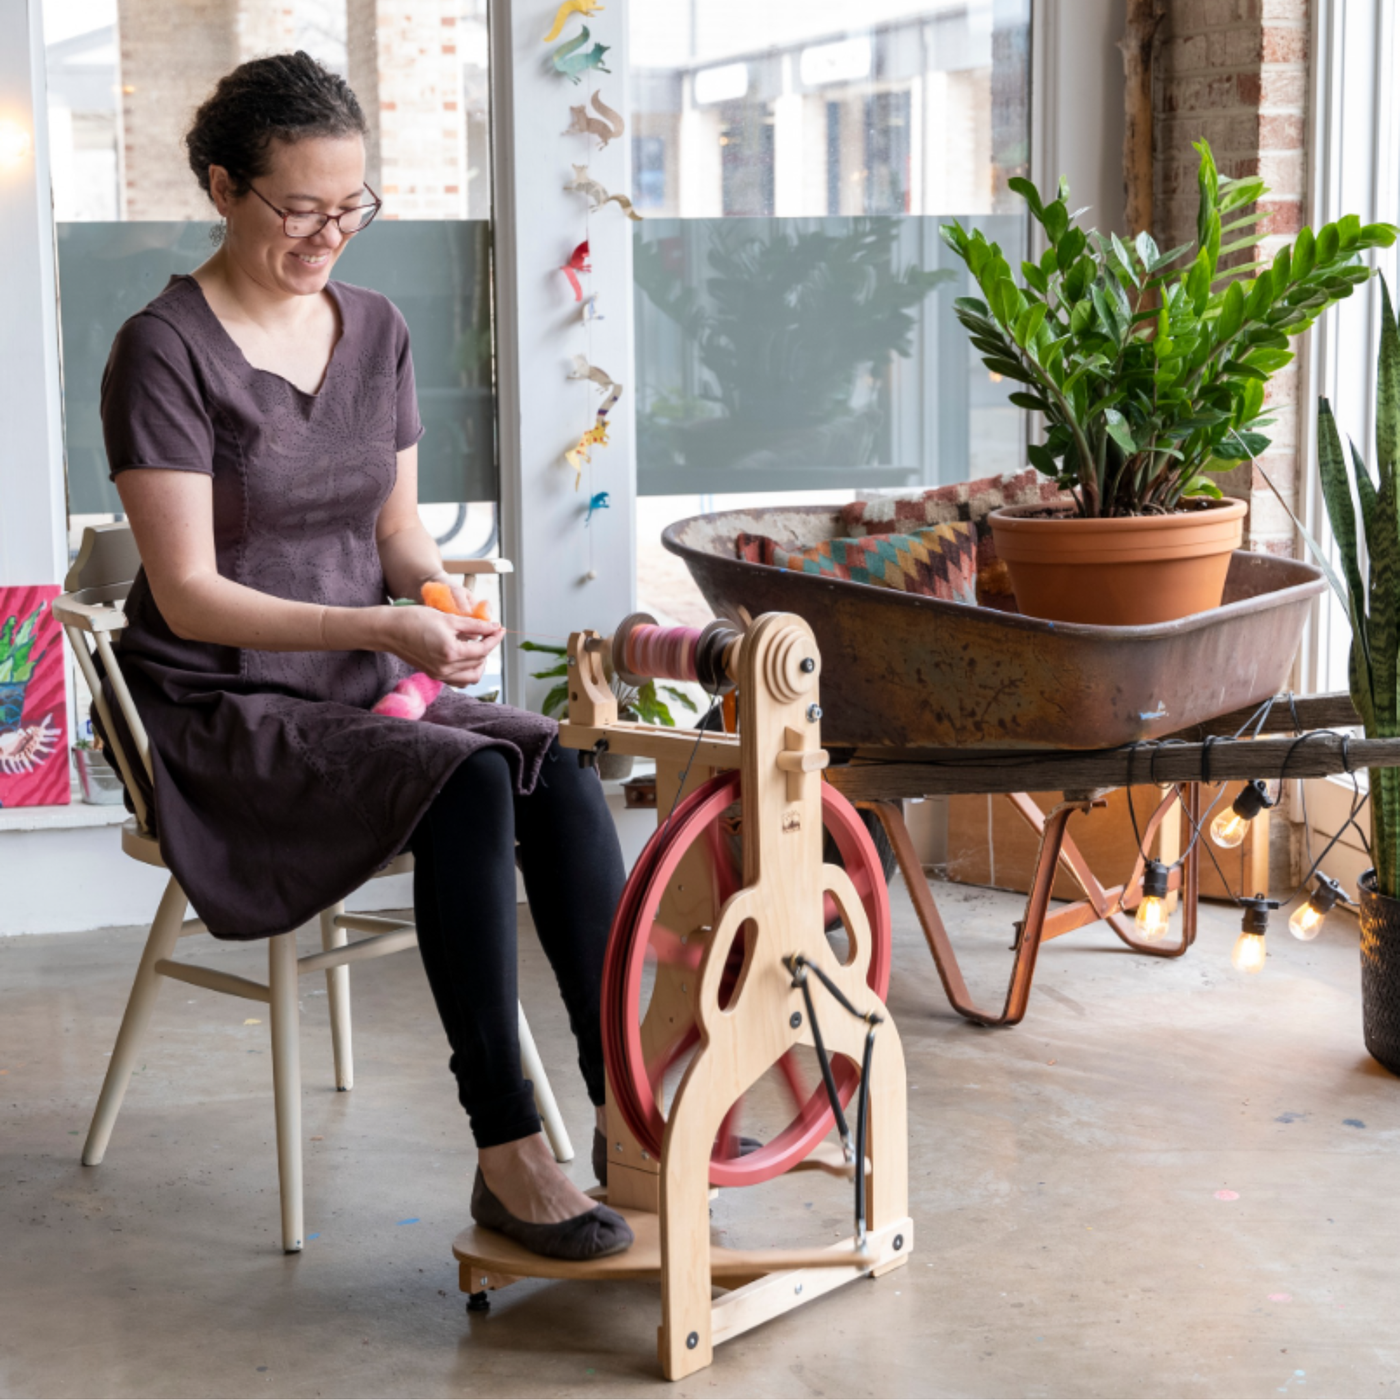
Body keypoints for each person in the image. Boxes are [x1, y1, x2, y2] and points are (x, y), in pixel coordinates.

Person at [99, 51, 631, 1262]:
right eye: (300, 208)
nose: (328, 234)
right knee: (467, 774)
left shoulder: (375, 326)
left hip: (353, 688)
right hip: (223, 701)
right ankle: (508, 1151)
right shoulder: (162, 351)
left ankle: (628, 1113)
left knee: (551, 760)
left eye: (351, 207)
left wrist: (436, 598)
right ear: (223, 187)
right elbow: (190, 593)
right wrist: (386, 630)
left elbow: (395, 530)